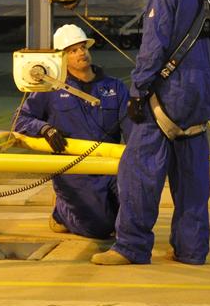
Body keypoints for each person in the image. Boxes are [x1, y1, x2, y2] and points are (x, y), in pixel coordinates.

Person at [92, 0, 210, 266]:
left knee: (139, 171)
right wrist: (194, 68)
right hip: (202, 94)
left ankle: (132, 247)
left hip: (166, 97)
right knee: (192, 179)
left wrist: (139, 92)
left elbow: (153, 48)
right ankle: (191, 250)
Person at [13, 23, 127, 239]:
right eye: (73, 50)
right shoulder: (50, 89)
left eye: (83, 47)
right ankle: (61, 213)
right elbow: (20, 119)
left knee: (136, 212)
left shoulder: (115, 87)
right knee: (99, 229)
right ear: (62, 58)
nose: (81, 53)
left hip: (109, 167)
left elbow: (132, 127)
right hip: (74, 172)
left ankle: (110, 213)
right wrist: (44, 128)